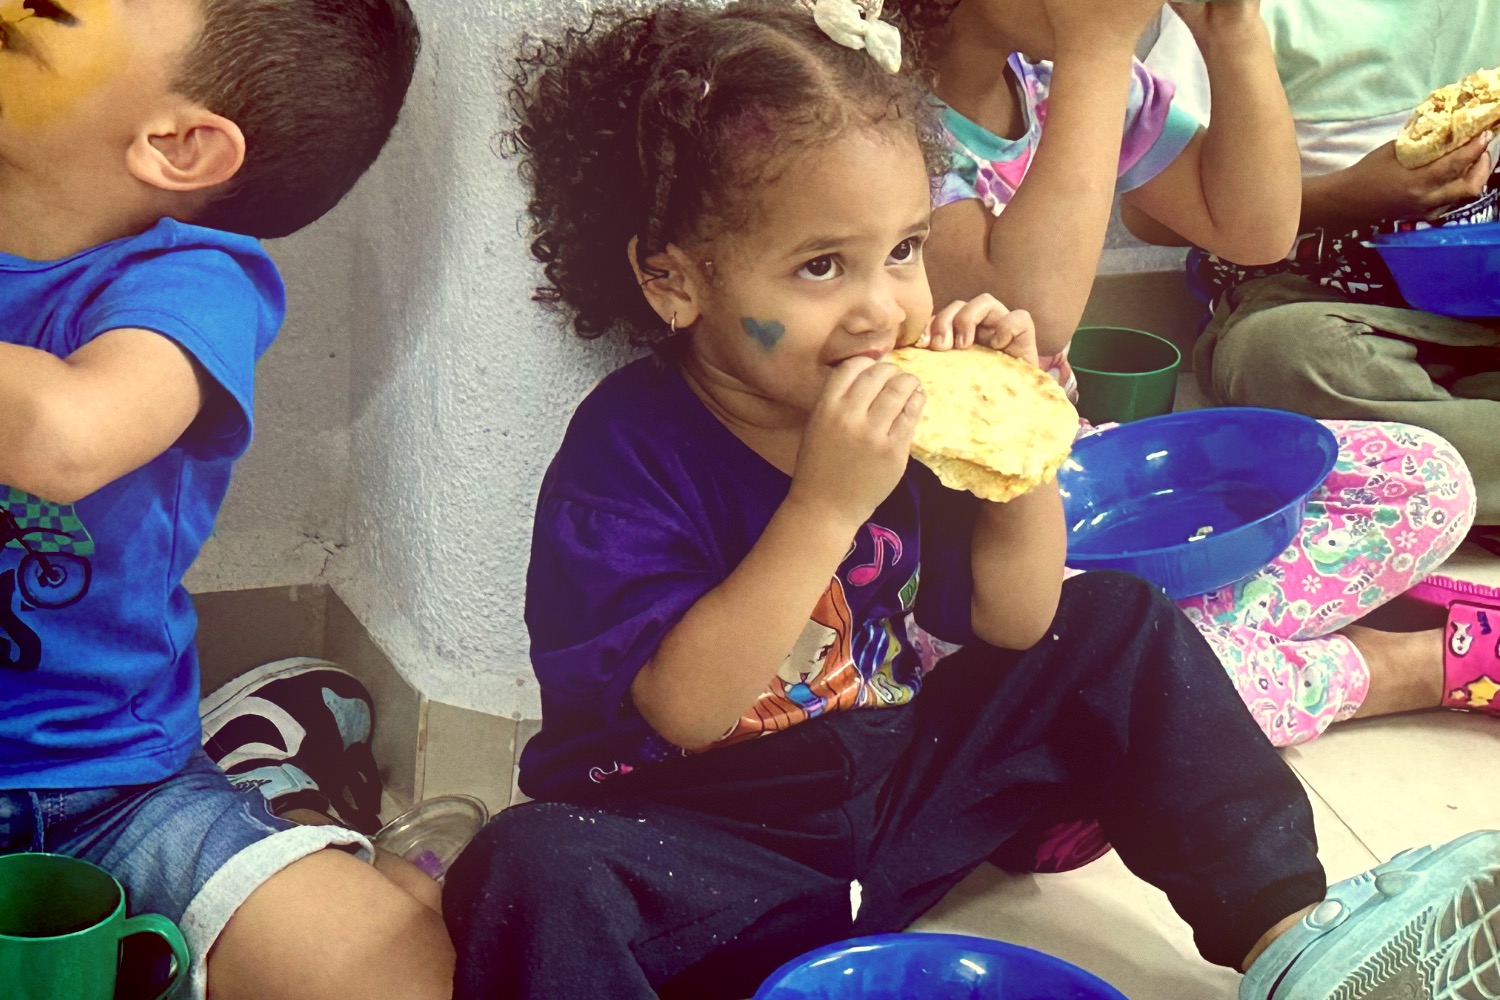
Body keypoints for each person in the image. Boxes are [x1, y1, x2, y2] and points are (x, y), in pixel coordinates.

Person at [442, 3, 1500, 998]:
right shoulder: (630, 452)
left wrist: (1019, 450)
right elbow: (684, 708)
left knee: (1114, 620)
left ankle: (1286, 930)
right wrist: (823, 506)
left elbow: (1015, 617)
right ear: (677, 282)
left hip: (894, 798)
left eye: (903, 251)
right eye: (821, 266)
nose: (883, 306)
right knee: (524, 866)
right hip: (699, 843)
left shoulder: (899, 408)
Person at [880, 0, 1493, 756]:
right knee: (1112, 698)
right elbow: (1029, 312)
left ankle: (1185, 625)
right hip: (958, 550)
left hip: (1068, 481)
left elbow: (1257, 231)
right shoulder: (878, 115)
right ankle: (1397, 664)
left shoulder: (1041, 83)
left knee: (1424, 477)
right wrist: (1097, 47)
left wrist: (1231, 31)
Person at [0, 2, 454, 999]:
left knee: (395, 974)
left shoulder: (196, 282)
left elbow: (64, 439)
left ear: (178, 142)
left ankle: (277, 791)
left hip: (109, 787)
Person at [1142, 2, 1500, 527]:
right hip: (1307, 302)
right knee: (1278, 358)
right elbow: (1152, 215)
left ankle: (1440, 459)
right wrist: (1352, 197)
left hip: (1475, 305)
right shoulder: (1240, 14)